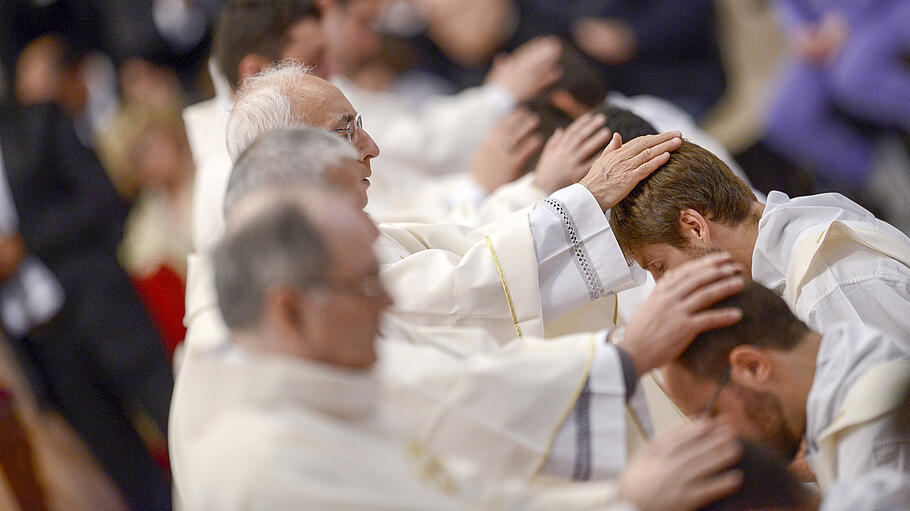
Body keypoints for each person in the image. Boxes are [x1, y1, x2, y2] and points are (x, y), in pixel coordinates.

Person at [174, 180, 747, 509]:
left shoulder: (315, 395)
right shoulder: (260, 467)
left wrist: (621, 497)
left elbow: (476, 497)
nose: (389, 304)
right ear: (289, 308)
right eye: (366, 285)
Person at [0, 102, 173, 510]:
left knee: (176, 419)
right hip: (41, 347)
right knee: (128, 474)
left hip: (101, 313)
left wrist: (23, 243)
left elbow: (101, 199)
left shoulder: (35, 123)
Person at [609, 140, 910, 341]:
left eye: (660, 267)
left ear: (694, 227)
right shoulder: (800, 237)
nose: (663, 287)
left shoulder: (828, 283)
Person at [661, 281, 910, 492]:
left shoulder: (873, 445)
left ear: (752, 367)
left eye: (712, 414)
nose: (722, 440)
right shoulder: (853, 351)